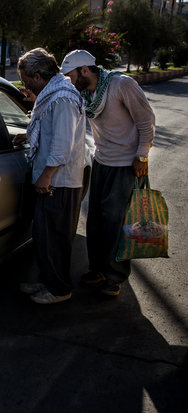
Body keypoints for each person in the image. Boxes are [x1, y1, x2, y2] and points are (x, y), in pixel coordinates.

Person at [59, 49, 155, 297]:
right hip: (101, 161)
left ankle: (114, 277)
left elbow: (146, 120)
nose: (67, 80)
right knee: (96, 220)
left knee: (116, 222)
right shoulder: (84, 93)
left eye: (69, 74)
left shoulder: (121, 85)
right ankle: (98, 269)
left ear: (84, 70)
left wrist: (142, 155)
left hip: (126, 164)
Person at [16, 48, 87, 304]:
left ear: (37, 75)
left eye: (26, 80)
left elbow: (62, 144)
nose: (25, 84)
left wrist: (46, 175)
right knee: (45, 235)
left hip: (59, 181)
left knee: (55, 237)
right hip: (54, 178)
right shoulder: (53, 94)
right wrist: (29, 134)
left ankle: (59, 289)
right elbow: (50, 127)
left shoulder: (63, 98)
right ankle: (47, 281)